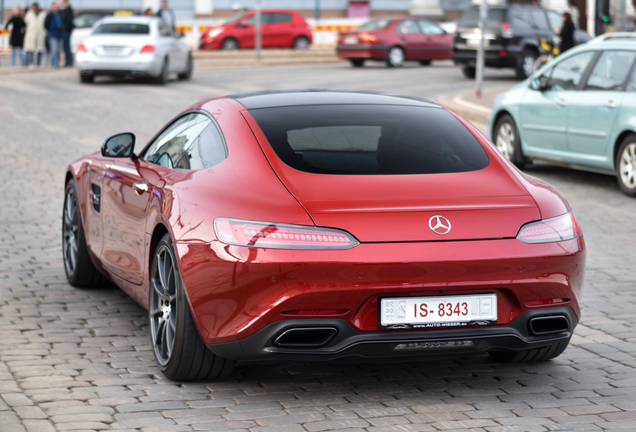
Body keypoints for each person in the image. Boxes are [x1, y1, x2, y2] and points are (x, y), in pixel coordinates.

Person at [24, 3, 47, 67]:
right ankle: (31, 63)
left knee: (40, 49)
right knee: (30, 49)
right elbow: (25, 21)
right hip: (31, 34)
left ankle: (38, 64)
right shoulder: (29, 14)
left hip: (40, 34)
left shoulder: (42, 14)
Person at [45, 2, 65, 68]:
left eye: (57, 7)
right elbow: (45, 24)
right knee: (54, 50)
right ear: (52, 7)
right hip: (52, 35)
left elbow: (64, 23)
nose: (56, 8)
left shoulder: (61, 14)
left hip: (60, 35)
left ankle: (57, 63)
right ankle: (54, 64)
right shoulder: (49, 15)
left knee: (59, 51)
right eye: (54, 7)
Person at [60, 0, 74, 67]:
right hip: (65, 30)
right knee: (65, 47)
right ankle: (68, 61)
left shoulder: (69, 10)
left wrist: (64, 28)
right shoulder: (65, 10)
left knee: (66, 46)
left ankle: (69, 62)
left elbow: (68, 21)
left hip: (67, 31)